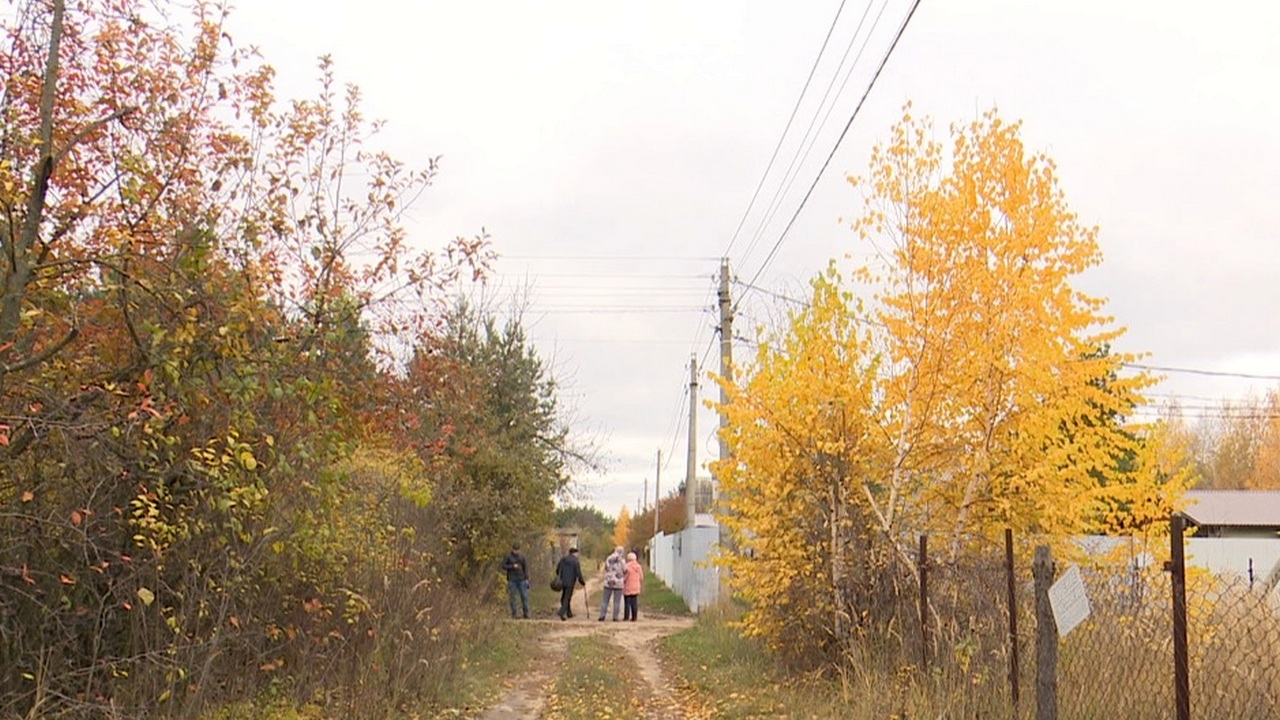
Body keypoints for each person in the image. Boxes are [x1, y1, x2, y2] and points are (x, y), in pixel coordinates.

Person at [555, 547, 586, 620]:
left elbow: (557, 569)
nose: (578, 555)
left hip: (562, 581)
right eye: (577, 553)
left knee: (564, 597)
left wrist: (560, 576)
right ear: (575, 553)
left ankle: (569, 613)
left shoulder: (563, 559)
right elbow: (578, 572)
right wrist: (582, 581)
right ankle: (562, 612)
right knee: (567, 597)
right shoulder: (575, 561)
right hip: (570, 582)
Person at [501, 542, 530, 619]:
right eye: (515, 550)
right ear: (512, 549)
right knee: (513, 597)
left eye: (517, 550)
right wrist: (512, 566)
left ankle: (526, 613)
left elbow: (525, 567)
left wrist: (527, 578)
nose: (516, 551)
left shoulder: (522, 557)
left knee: (524, 596)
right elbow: (503, 566)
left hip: (522, 579)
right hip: (512, 579)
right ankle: (514, 613)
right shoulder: (508, 556)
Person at [599, 546, 626, 621]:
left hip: (608, 581)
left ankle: (602, 616)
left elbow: (606, 568)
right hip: (618, 582)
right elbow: (625, 570)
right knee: (617, 601)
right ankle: (615, 617)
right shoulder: (622, 560)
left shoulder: (609, 558)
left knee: (605, 600)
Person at [623, 551, 643, 621]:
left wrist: (624, 580)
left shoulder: (626, 566)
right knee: (634, 602)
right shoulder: (638, 566)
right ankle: (634, 617)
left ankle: (626, 617)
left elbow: (624, 576)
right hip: (636, 586)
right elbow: (641, 577)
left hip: (628, 586)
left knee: (627, 603)